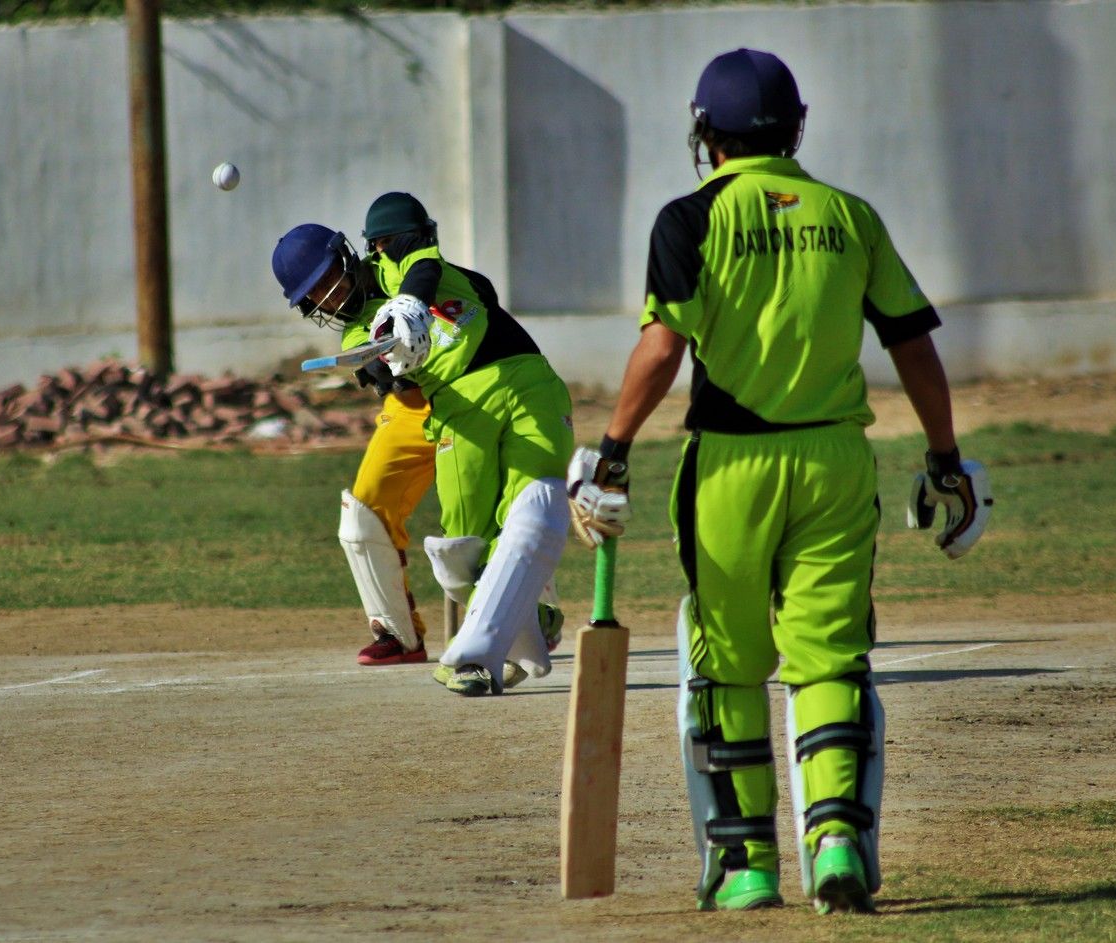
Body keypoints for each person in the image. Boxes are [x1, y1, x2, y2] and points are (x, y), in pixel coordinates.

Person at [566, 49, 992, 915]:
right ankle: (835, 841)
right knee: (830, 655)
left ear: (705, 133)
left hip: (730, 466)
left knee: (728, 664)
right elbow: (913, 345)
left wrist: (610, 450)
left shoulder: (689, 219)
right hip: (835, 462)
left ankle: (747, 864)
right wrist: (945, 459)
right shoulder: (850, 216)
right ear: (796, 127)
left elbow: (662, 346)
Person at [361, 191, 573, 697]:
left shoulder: (420, 271)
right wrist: (383, 368)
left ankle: (477, 658)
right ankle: (530, 618)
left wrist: (409, 304)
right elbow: (392, 376)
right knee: (462, 550)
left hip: (531, 385)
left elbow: (423, 270)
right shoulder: (368, 312)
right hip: (460, 409)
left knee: (528, 515)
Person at [271, 223, 435, 666]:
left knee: (490, 511)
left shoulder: (394, 271)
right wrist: (385, 363)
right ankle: (398, 634)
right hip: (413, 411)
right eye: (314, 291)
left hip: (470, 395)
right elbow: (393, 377)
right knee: (362, 517)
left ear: (345, 258)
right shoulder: (353, 334)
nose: (328, 293)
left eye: (328, 277)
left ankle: (531, 615)